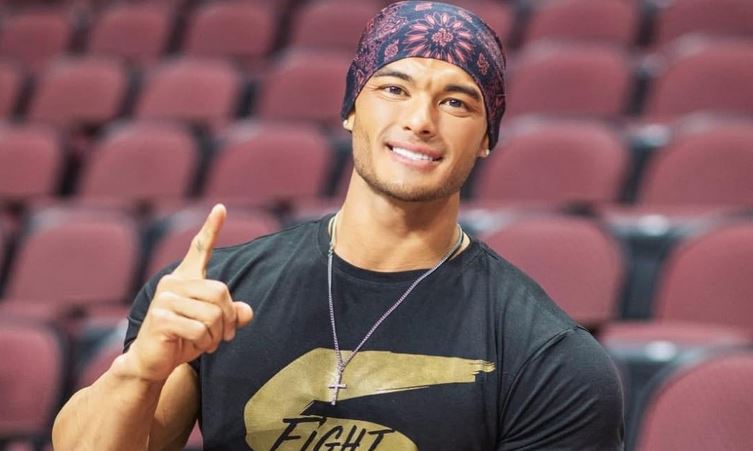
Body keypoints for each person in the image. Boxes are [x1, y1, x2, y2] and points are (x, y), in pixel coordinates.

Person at [52, 2, 624, 450]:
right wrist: (140, 372)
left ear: (486, 140)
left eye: (456, 103)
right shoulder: (211, 295)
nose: (419, 120)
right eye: (393, 89)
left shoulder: (548, 358)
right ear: (352, 108)